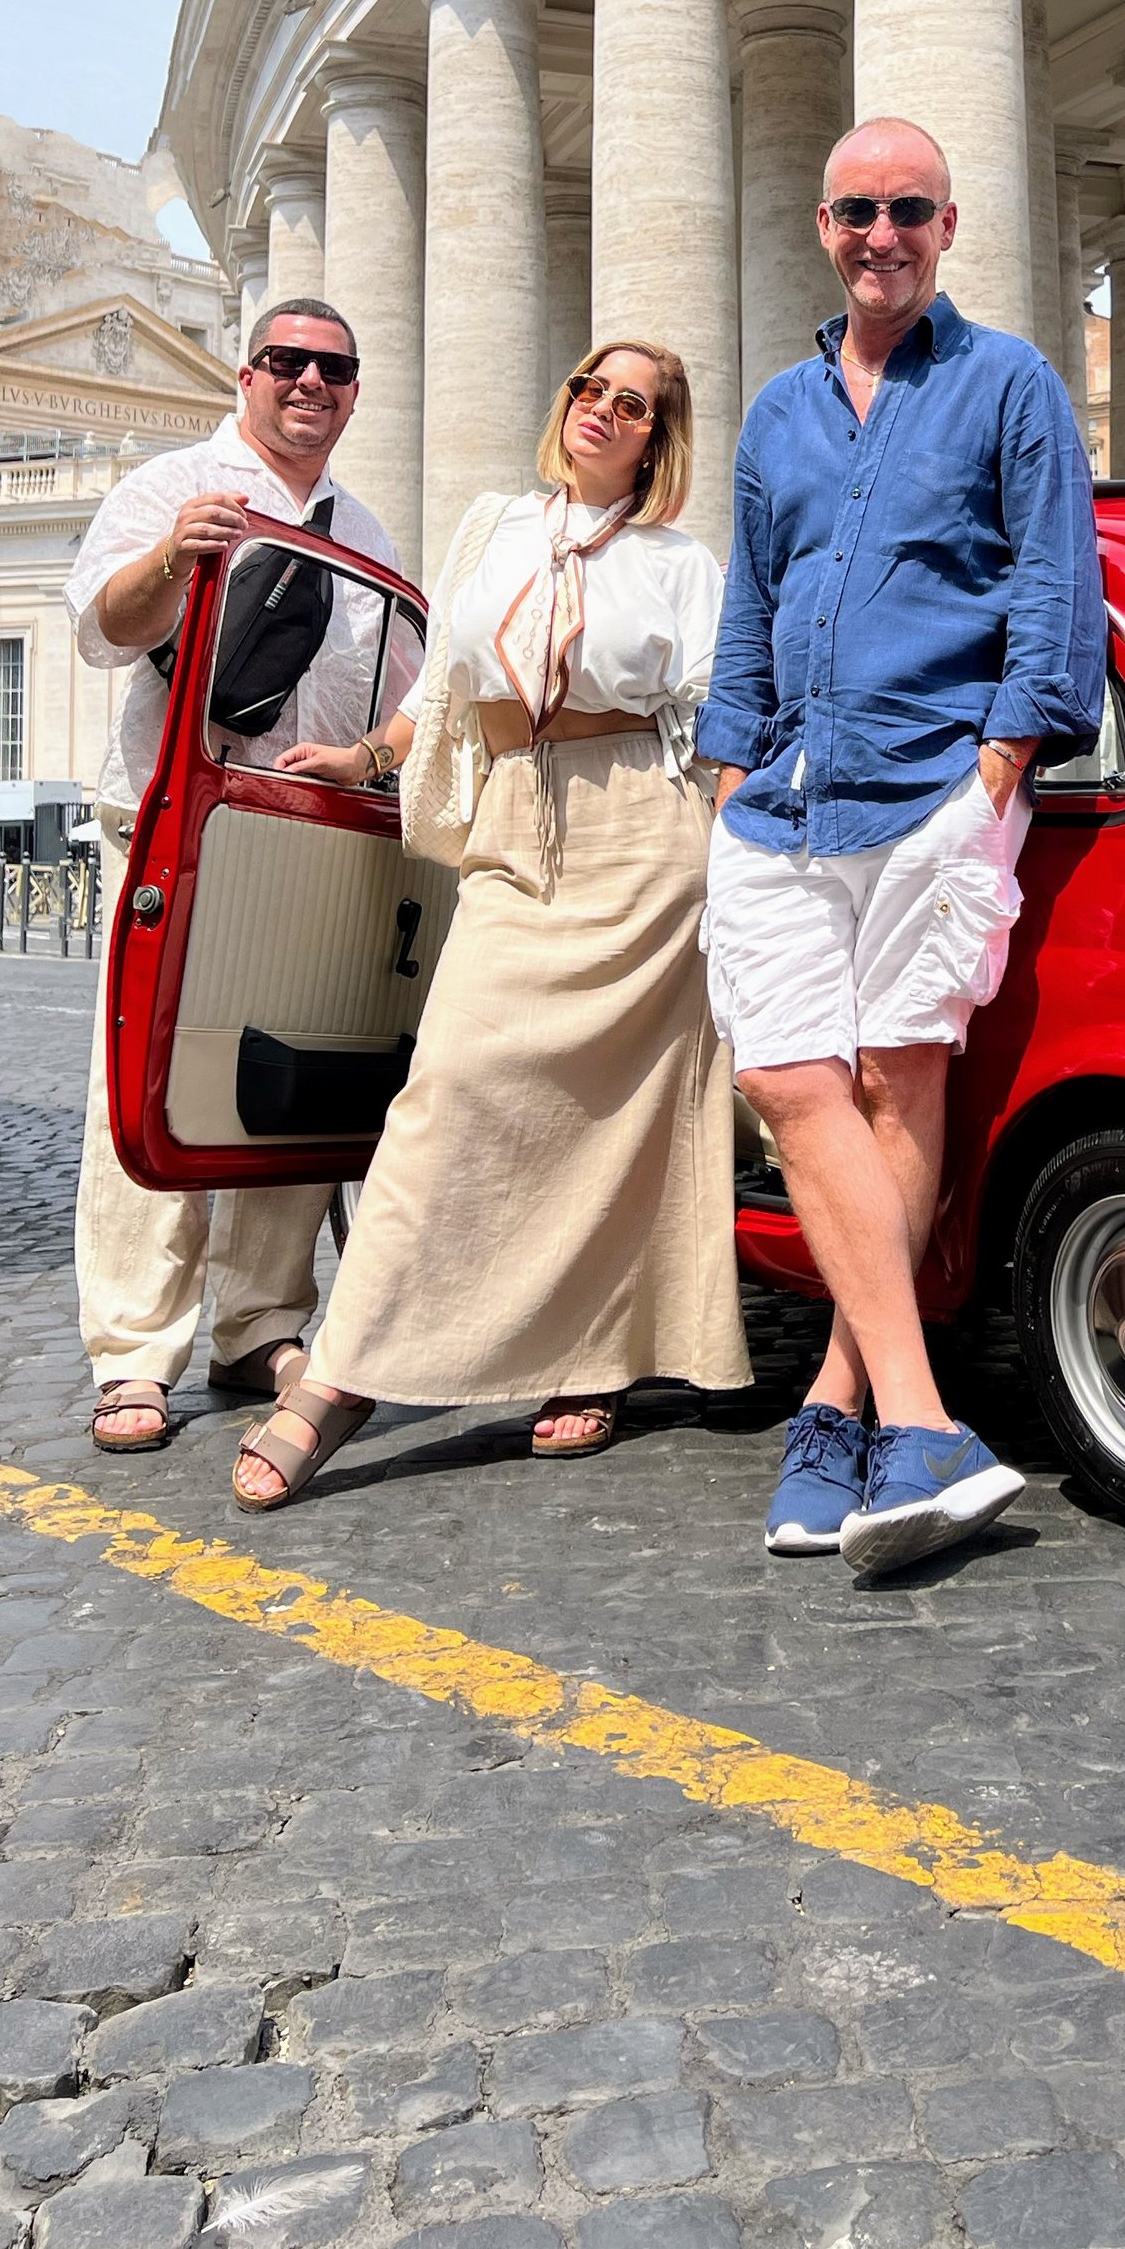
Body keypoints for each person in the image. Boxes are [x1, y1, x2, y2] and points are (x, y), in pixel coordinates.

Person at [229, 338, 750, 1509]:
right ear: (562, 403)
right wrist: (364, 754)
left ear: (657, 439)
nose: (602, 413)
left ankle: (597, 1359)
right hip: (517, 833)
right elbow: (442, 692)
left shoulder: (681, 562)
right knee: (447, 1090)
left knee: (615, 1123)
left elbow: (722, 711)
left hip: (646, 843)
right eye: (587, 390)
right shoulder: (492, 529)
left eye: (632, 404)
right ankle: (344, 1378)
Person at [699, 119, 1107, 1576]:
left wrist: (998, 766)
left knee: (894, 1081)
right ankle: (924, 1422)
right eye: (862, 209)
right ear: (825, 223)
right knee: (793, 1083)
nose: (886, 234)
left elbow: (1058, 585)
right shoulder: (773, 414)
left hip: (935, 786)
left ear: (949, 226)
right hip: (780, 803)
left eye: (912, 210)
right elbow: (752, 598)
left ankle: (836, 1408)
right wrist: (725, 760)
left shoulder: (1010, 384)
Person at [64, 298, 413, 1452]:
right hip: (178, 825)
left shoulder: (365, 528)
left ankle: (261, 1321)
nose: (309, 383)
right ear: (246, 374)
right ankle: (134, 1351)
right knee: (146, 1078)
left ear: (355, 391)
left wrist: (370, 759)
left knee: (281, 1081)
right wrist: (174, 556)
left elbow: (411, 694)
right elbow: (102, 629)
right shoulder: (172, 486)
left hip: (308, 834)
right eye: (286, 363)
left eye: (333, 369)